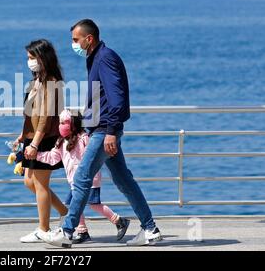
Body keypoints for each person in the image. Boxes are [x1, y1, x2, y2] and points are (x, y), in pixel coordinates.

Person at [44, 19, 162, 248]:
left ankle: (67, 231)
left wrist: (109, 132)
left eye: (75, 40)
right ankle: (150, 229)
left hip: (104, 130)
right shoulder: (95, 58)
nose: (73, 45)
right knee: (124, 180)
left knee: (81, 177)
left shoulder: (105, 58)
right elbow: (105, 98)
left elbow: (116, 98)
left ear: (89, 39)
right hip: (104, 128)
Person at [36, 109, 130, 244]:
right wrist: (36, 156)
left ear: (73, 124)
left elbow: (92, 158)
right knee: (73, 204)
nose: (61, 125)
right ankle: (82, 231)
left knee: (94, 204)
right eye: (60, 122)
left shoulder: (84, 138)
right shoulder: (61, 142)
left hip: (90, 179)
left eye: (65, 122)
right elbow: (51, 158)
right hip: (74, 181)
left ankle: (119, 221)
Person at [13, 39, 69, 243]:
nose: (28, 61)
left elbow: (45, 117)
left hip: (44, 138)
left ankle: (43, 229)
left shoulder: (51, 81)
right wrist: (23, 135)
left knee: (40, 183)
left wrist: (35, 144)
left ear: (42, 58)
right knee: (30, 182)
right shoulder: (37, 80)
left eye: (31, 57)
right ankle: (65, 212)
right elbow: (30, 113)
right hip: (32, 136)